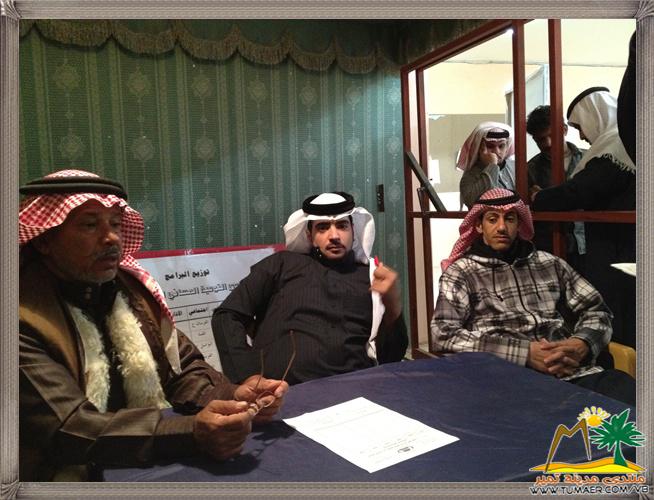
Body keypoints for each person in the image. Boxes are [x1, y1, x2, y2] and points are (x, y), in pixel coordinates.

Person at [19, 169, 288, 481]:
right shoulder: (22, 315)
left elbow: (181, 368)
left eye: (116, 224)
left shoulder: (132, 291)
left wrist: (232, 395)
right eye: (90, 225)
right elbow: (68, 427)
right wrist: (189, 432)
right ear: (44, 240)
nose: (111, 238)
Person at [431, 188, 635, 405]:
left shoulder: (550, 264)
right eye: (492, 219)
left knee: (630, 397)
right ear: (479, 226)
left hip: (572, 373)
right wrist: (524, 354)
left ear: (519, 224)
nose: (502, 227)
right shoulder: (461, 273)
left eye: (510, 219)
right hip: (505, 380)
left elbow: (597, 310)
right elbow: (443, 335)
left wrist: (581, 343)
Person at [212, 191, 408, 385]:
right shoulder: (281, 265)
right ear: (309, 235)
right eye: (322, 228)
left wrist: (393, 305)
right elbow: (227, 315)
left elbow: (390, 359)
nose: (334, 236)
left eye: (342, 226)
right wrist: (247, 375)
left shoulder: (370, 277)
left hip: (354, 387)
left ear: (353, 231)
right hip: (283, 392)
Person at [531, 87, 636, 348]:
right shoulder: (615, 144)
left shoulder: (616, 146)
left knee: (618, 313)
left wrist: (539, 198)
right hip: (607, 243)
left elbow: (580, 191)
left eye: (581, 127)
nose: (582, 135)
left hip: (617, 245)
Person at [526, 105, 586, 272]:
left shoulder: (590, 159)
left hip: (588, 243)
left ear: (564, 130)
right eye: (540, 139)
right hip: (549, 247)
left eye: (552, 135)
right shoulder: (530, 169)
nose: (548, 143)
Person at [458, 122, 515, 209]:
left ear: (507, 148)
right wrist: (492, 166)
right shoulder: (470, 175)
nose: (497, 151)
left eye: (501, 146)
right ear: (479, 148)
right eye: (490, 146)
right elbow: (473, 201)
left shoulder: (516, 168)